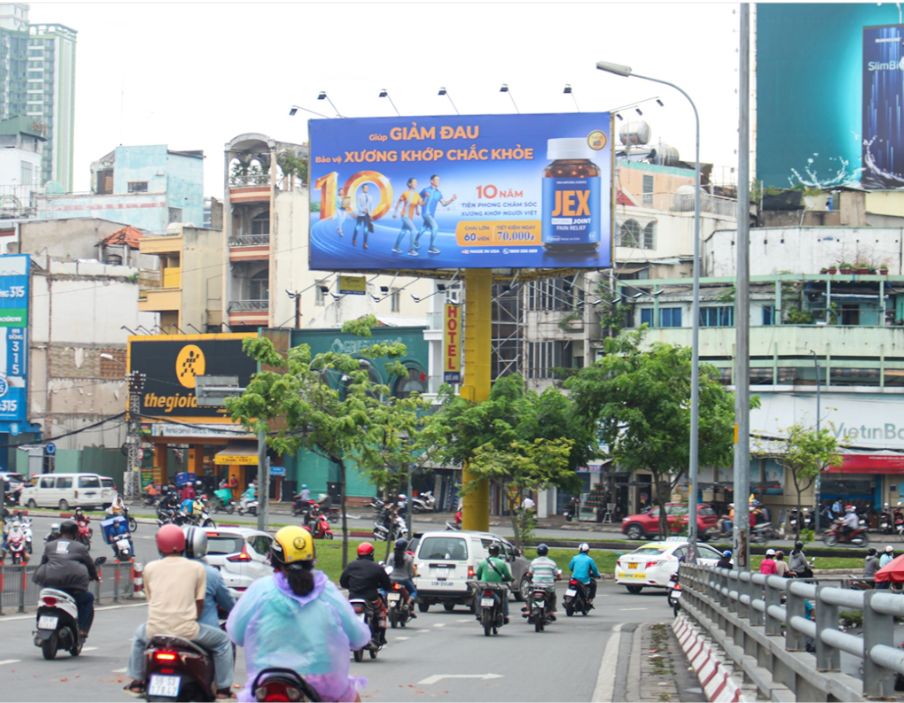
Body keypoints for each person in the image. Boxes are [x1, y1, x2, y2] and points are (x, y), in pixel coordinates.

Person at [228, 526, 369, 702]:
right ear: (312, 558)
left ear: (273, 557)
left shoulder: (261, 589)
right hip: (323, 683)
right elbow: (358, 637)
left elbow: (235, 633)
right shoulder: (327, 591)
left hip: (265, 683)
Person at [124, 525, 234, 698]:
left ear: (159, 546)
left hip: (155, 631)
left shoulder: (150, 568)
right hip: (187, 630)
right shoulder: (199, 570)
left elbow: (151, 599)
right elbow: (200, 603)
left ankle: (137, 681)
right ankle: (223, 689)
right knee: (223, 643)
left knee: (138, 637)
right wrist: (190, 618)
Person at [32, 520, 99, 640]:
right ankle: (82, 629)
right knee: (88, 598)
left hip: (50, 586)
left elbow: (43, 562)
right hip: (72, 588)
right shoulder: (80, 547)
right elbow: (90, 565)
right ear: (75, 533)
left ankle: (38, 627)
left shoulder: (50, 545)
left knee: (42, 602)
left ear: (60, 531)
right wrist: (95, 576)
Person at [339, 542, 392, 647]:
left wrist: (351, 587)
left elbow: (342, 581)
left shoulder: (351, 566)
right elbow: (386, 584)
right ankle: (381, 636)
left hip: (353, 597)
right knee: (382, 612)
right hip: (371, 598)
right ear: (371, 554)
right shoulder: (377, 567)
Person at [182, 525, 234, 627]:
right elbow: (230, 605)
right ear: (203, 545)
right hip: (203, 631)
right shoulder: (212, 573)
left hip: (169, 631)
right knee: (224, 641)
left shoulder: (169, 569)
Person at [413, 174, 457, 255]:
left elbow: (444, 204)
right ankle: (431, 247)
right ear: (431, 181)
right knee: (435, 227)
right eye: (436, 180)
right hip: (425, 213)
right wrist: (416, 209)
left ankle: (415, 241)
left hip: (431, 215)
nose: (438, 181)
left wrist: (452, 199)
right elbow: (417, 199)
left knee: (423, 228)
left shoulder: (439, 193)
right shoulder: (425, 190)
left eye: (439, 180)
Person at [475, 543, 513, 623]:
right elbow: (507, 576)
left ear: (489, 552)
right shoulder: (502, 563)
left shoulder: (483, 562)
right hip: (497, 587)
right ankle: (505, 615)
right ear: (498, 552)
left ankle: (478, 613)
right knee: (504, 597)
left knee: (478, 595)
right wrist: (510, 579)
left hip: (485, 586)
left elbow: (478, 575)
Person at [387, 538, 417, 618]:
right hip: (404, 580)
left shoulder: (391, 556)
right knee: (413, 592)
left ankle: (386, 605)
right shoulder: (409, 558)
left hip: (392, 580)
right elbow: (410, 572)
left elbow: (388, 568)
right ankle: (408, 604)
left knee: (383, 590)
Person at [526, 543, 558, 618]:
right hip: (548, 587)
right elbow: (556, 574)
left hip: (536, 586)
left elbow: (530, 573)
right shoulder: (551, 563)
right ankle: (551, 611)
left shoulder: (534, 562)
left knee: (530, 596)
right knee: (553, 596)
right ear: (547, 552)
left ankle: (528, 609)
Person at [392, 177, 422, 255]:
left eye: (416, 182)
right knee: (413, 230)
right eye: (414, 182)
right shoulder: (405, 193)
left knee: (403, 231)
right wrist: (395, 213)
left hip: (411, 217)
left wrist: (417, 210)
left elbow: (419, 204)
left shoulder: (417, 195)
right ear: (409, 184)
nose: (416, 184)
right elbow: (399, 202)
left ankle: (395, 247)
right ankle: (411, 250)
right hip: (405, 215)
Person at [352, 183, 375, 249]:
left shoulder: (370, 197)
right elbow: (358, 205)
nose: (366, 189)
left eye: (367, 188)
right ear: (362, 188)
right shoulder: (359, 196)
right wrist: (362, 210)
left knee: (366, 229)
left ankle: (365, 243)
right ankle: (354, 239)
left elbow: (371, 206)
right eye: (365, 188)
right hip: (360, 214)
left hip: (367, 215)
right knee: (357, 227)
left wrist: (371, 214)